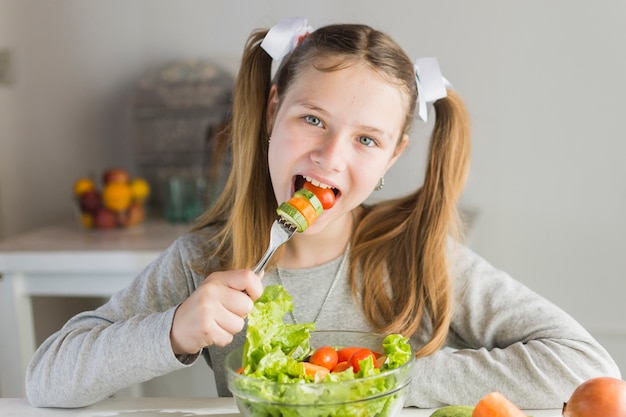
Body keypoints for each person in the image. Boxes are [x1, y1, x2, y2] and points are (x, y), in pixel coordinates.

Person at [26, 17, 620, 409]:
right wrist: (175, 329)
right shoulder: (204, 262)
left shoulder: (414, 258)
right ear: (272, 111)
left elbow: (586, 365)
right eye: (313, 119)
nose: (330, 157)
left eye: (366, 140)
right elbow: (46, 378)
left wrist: (378, 384)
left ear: (393, 155)